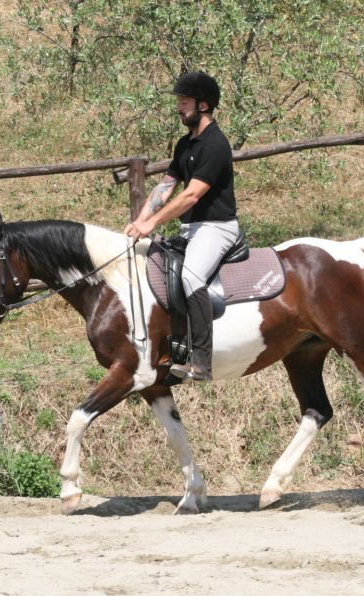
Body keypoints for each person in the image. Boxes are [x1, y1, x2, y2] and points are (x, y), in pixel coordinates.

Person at [124, 71, 239, 382]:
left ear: (203, 105)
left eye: (184, 101)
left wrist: (152, 223)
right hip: (193, 230)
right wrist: (140, 219)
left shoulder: (216, 144)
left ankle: (201, 360)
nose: (179, 107)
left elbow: (191, 195)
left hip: (217, 227)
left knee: (190, 276)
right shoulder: (185, 143)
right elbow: (167, 185)